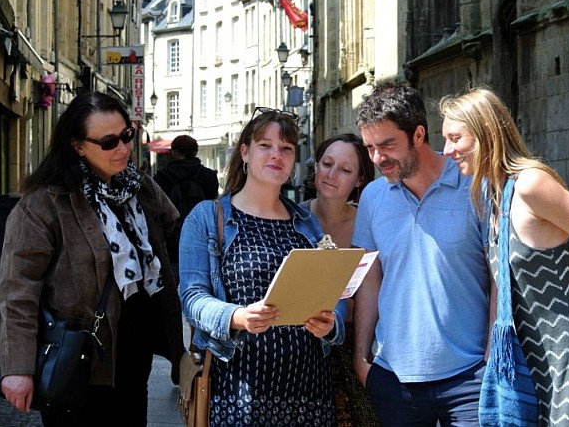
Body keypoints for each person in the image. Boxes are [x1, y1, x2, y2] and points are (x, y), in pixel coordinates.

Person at [439, 86, 569, 426]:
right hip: (533, 375)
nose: (446, 150)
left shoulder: (531, 185)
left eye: (455, 138)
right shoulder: (493, 194)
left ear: (487, 132)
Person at [0, 91, 185, 426]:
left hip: (133, 350)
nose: (124, 148)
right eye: (109, 142)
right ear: (78, 146)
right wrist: (17, 368)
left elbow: (176, 234)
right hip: (78, 355)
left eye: (127, 135)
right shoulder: (44, 204)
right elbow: (17, 292)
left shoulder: (140, 187)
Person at [179, 107, 347, 425]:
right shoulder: (207, 217)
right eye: (265, 145)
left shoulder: (307, 223)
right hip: (236, 392)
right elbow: (191, 298)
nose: (276, 155)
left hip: (308, 392)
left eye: (285, 148)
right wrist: (236, 316)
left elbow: (334, 293)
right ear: (245, 152)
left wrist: (331, 324)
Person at [352, 82, 492, 426]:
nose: (377, 158)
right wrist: (360, 360)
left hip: (471, 378)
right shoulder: (373, 196)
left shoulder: (476, 185)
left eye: (387, 145)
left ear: (418, 135)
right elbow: (370, 282)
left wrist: (491, 359)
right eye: (370, 147)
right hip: (393, 378)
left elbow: (498, 277)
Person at [299, 133, 378, 425]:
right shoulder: (291, 217)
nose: (331, 175)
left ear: (359, 179)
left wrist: (363, 356)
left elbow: (374, 289)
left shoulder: (368, 222)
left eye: (345, 170)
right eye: (326, 164)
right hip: (299, 349)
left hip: (354, 345)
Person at [154, 134, 219, 283]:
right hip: (205, 238)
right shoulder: (208, 176)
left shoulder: (162, 177)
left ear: (175, 152)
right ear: (195, 152)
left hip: (171, 242)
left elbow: (156, 212)